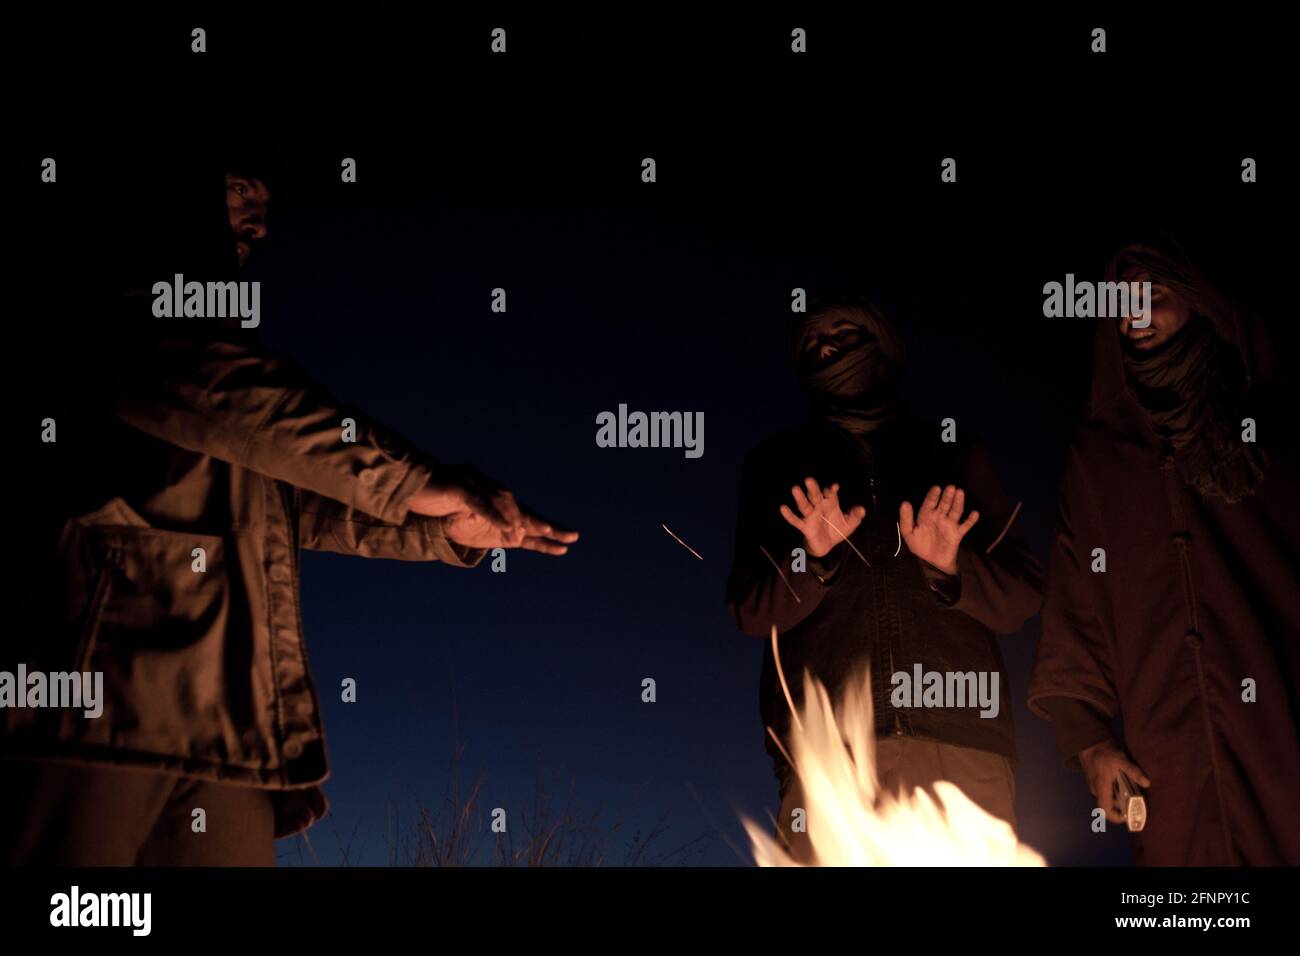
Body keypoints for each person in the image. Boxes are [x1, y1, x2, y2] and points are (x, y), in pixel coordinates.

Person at [3, 156, 577, 865]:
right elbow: (225, 391)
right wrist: (416, 479)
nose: (260, 218)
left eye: (265, 200)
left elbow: (286, 496)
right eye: (239, 188)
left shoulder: (211, 350)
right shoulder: (104, 287)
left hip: (227, 727)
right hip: (95, 704)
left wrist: (438, 527)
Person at [725, 294, 1042, 861]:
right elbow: (751, 609)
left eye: (843, 337)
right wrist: (814, 562)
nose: (827, 350)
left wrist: (952, 568)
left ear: (883, 345)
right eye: (814, 345)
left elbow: (1020, 598)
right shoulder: (776, 464)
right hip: (829, 760)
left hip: (963, 747)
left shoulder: (955, 452)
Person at [1028, 236, 1300, 865]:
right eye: (1122, 301)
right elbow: (1077, 615)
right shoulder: (1100, 462)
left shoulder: (1269, 428)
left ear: (1202, 302)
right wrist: (1092, 744)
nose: (1136, 314)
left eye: (1154, 295)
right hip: (1172, 778)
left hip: (1283, 748)